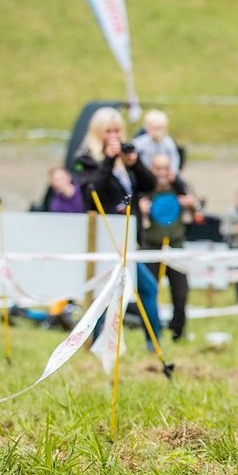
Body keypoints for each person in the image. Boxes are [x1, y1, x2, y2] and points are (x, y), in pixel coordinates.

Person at [71, 106, 162, 347]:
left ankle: (152, 342)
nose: (113, 136)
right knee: (108, 292)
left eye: (117, 130)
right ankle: (100, 341)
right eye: (108, 131)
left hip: (128, 238)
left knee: (142, 289)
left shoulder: (125, 162)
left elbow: (150, 184)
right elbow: (92, 195)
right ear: (98, 132)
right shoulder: (86, 160)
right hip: (105, 237)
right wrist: (109, 160)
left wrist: (134, 163)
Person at [139, 153, 198, 342]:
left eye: (165, 168)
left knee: (180, 293)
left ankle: (177, 332)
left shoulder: (181, 188)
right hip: (151, 247)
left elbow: (197, 212)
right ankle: (152, 335)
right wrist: (140, 211)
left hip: (176, 246)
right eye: (158, 168)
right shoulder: (144, 190)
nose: (162, 173)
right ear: (151, 169)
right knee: (148, 292)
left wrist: (191, 204)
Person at [133, 109, 182, 176]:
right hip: (146, 174)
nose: (158, 132)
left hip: (165, 174)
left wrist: (173, 172)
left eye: (161, 128)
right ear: (147, 128)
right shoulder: (140, 143)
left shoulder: (168, 142)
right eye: (155, 128)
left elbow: (174, 157)